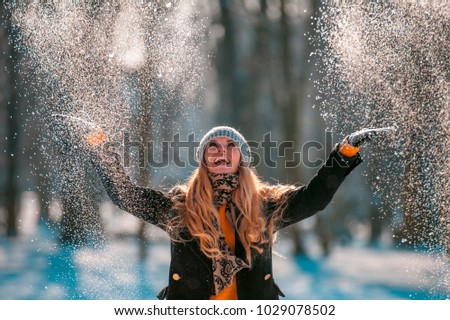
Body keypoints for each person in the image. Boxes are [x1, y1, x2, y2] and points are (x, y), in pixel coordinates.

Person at [85, 125, 373, 300]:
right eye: (213, 146)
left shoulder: (264, 207)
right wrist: (99, 145)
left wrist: (344, 153)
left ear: (241, 159)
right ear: (204, 159)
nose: (221, 151)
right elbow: (126, 196)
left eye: (230, 146)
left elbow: (313, 199)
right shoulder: (179, 208)